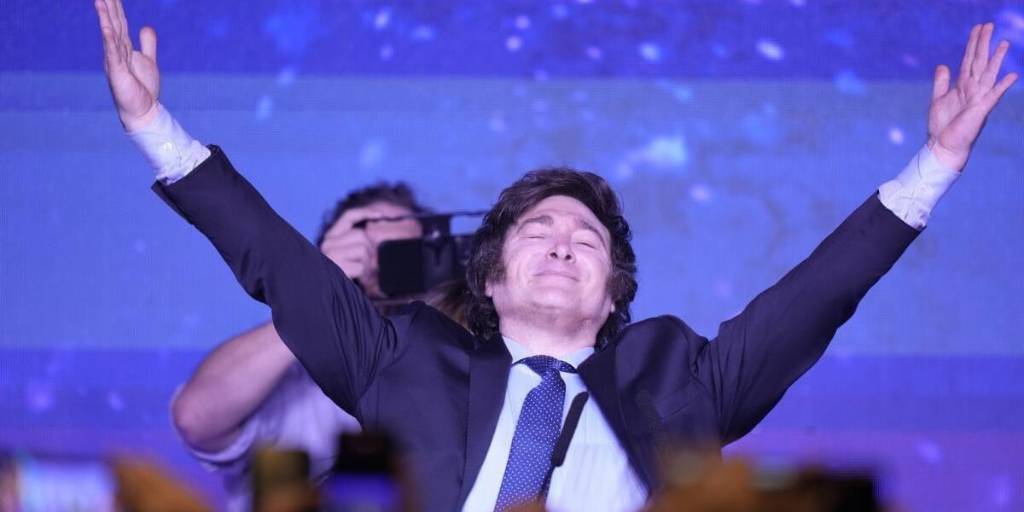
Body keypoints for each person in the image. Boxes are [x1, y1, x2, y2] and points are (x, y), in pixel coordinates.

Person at [93, 1, 1017, 510]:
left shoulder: (679, 376)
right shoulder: (408, 356)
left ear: (614, 293)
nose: (563, 243)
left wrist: (934, 165)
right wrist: (154, 129)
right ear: (491, 280)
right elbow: (277, 262)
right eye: (536, 233)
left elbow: (816, 296)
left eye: (588, 240)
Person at [170, 183, 428, 512]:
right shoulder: (292, 377)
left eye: (400, 253)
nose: (377, 266)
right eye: (364, 249)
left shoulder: (448, 368)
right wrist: (318, 291)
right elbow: (195, 417)